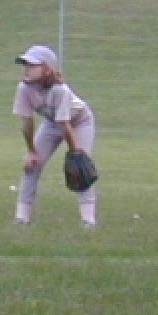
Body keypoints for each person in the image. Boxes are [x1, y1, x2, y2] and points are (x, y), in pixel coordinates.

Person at [12, 45, 98, 227]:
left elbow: (66, 125)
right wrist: (31, 152)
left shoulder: (60, 90)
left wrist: (76, 153)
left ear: (47, 68)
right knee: (32, 166)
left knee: (81, 168)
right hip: (52, 123)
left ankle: (89, 220)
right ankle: (21, 218)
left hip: (79, 122)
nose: (27, 68)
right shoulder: (24, 88)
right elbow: (27, 123)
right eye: (25, 64)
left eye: (32, 65)